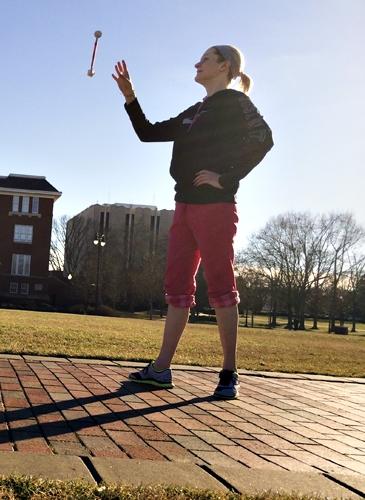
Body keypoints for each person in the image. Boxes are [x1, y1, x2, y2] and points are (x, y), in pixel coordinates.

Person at [111, 46, 273, 399]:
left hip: (215, 207)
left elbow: (264, 138)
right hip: (182, 206)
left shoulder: (235, 102)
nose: (197, 64)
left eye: (205, 59)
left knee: (221, 288)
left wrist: (227, 178)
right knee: (177, 290)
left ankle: (229, 372)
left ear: (224, 66)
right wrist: (130, 97)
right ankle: (160, 370)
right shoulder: (196, 111)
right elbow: (148, 132)